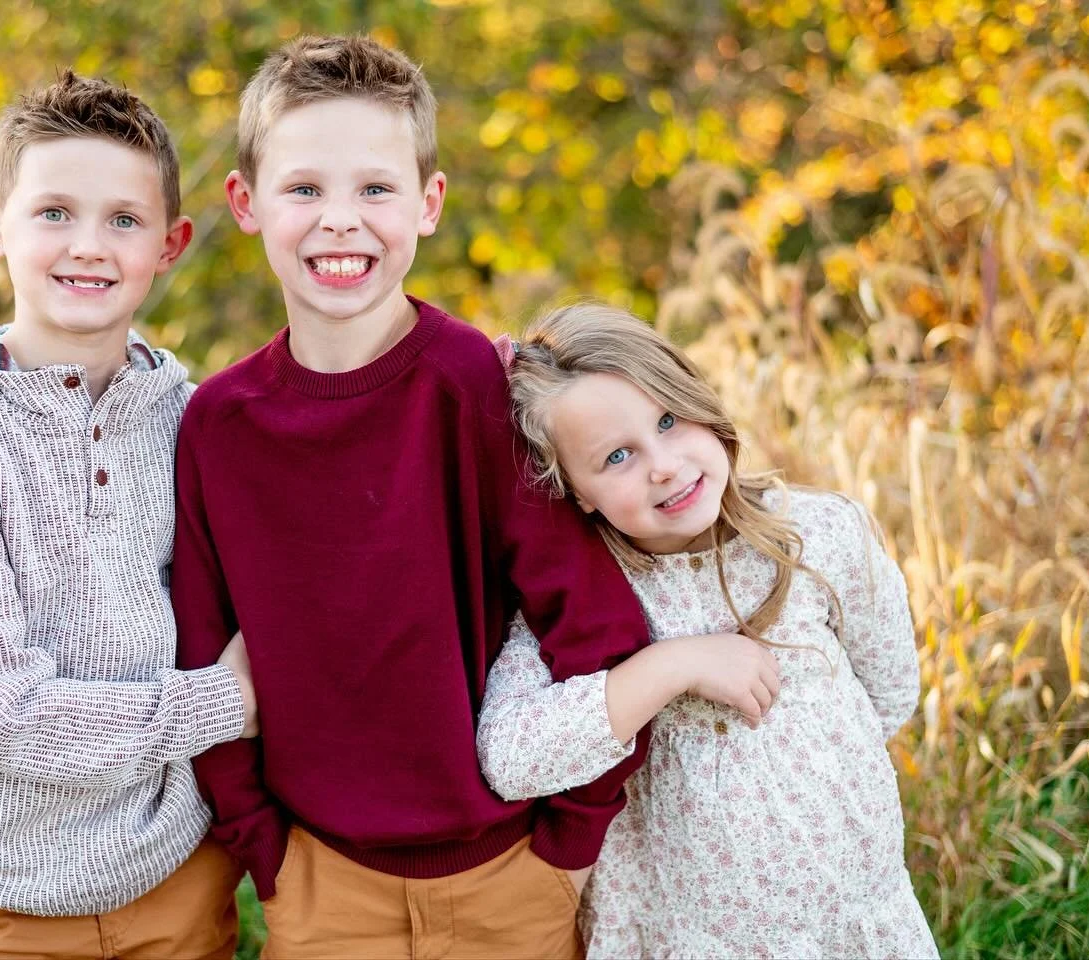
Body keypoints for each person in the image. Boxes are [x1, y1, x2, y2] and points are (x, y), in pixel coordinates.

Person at [168, 33, 719, 958]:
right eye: (304, 189)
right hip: (321, 885)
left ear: (427, 205)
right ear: (246, 203)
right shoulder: (219, 424)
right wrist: (266, 856)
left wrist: (569, 851)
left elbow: (589, 621)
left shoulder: (471, 383)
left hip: (512, 876)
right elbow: (201, 656)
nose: (340, 221)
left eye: (375, 189)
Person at [0, 71, 256, 959]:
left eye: (125, 219)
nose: (90, 245)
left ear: (171, 244)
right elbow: (2, 717)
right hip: (6, 899)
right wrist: (224, 703)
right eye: (54, 213)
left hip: (180, 872)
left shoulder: (191, 415)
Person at [477, 303, 940, 958]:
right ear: (575, 491)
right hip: (685, 938)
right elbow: (509, 757)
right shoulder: (583, 599)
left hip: (853, 922)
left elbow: (890, 693)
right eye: (616, 456)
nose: (663, 464)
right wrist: (672, 668)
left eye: (668, 419)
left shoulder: (822, 535)